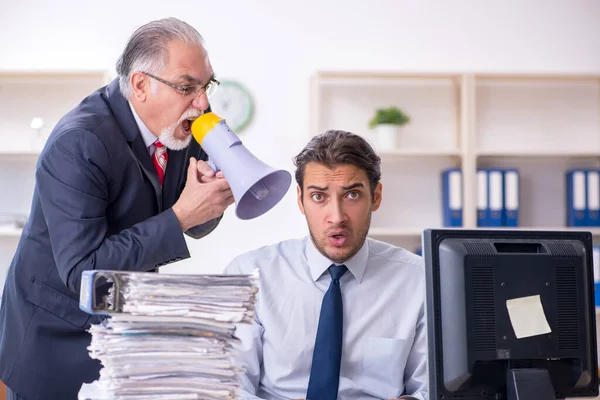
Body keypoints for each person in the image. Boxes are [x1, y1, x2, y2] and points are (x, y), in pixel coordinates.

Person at [0, 18, 235, 400]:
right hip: (55, 338)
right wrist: (183, 215)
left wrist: (212, 200)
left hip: (124, 327)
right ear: (141, 85)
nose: (202, 101)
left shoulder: (177, 126)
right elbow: (83, 276)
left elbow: (193, 223)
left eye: (206, 85)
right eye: (187, 86)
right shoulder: (79, 142)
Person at [224, 130, 428, 400]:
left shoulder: (419, 279)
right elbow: (230, 387)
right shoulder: (249, 275)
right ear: (301, 200)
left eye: (352, 195)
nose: (337, 217)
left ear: (376, 197)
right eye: (319, 197)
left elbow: (431, 387)